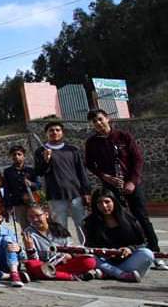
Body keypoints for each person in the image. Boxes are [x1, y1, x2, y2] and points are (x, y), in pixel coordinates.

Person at [85, 109, 166, 270]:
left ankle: (156, 253)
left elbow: (138, 159)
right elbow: (89, 164)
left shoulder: (124, 136)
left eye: (100, 119)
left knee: (142, 218)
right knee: (118, 218)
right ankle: (123, 251)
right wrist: (104, 176)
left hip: (131, 183)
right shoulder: (92, 142)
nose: (98, 123)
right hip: (111, 185)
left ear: (107, 119)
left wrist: (132, 182)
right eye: (94, 122)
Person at [33, 121, 91, 241]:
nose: (54, 132)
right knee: (60, 227)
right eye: (51, 130)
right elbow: (39, 172)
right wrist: (46, 160)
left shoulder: (72, 150)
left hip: (76, 194)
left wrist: (86, 192)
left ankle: (86, 247)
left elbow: (81, 171)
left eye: (57, 130)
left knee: (82, 225)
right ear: (46, 134)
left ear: (62, 132)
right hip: (55, 196)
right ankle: (65, 250)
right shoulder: (41, 151)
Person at [83, 188, 155, 282]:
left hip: (127, 261)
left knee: (147, 254)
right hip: (105, 260)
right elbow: (89, 246)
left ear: (114, 201)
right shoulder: (90, 222)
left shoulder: (129, 218)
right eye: (99, 203)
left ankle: (108, 273)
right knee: (88, 257)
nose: (104, 206)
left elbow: (143, 242)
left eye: (107, 202)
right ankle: (120, 274)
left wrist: (130, 249)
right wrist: (106, 252)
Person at [22, 204, 98, 281]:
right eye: (31, 217)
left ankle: (51, 274)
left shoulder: (58, 228)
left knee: (90, 261)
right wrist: (30, 249)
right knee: (32, 265)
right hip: (45, 265)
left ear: (46, 215)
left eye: (38, 216)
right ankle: (73, 276)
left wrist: (71, 254)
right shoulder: (28, 233)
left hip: (64, 263)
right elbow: (33, 259)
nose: (35, 219)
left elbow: (70, 247)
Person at [2, 145, 40, 228]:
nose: (16, 156)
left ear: (24, 156)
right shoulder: (8, 172)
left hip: (32, 201)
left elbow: (38, 185)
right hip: (18, 203)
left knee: (37, 224)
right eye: (14, 155)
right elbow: (6, 189)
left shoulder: (31, 170)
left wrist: (31, 184)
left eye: (19, 154)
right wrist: (8, 205)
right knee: (24, 226)